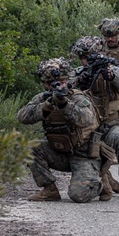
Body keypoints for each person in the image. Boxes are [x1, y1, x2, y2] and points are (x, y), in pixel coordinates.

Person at [17, 57, 102, 203]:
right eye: (52, 84)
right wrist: (46, 106)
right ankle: (49, 190)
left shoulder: (77, 97)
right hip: (60, 154)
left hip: (83, 155)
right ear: (45, 84)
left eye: (62, 82)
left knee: (78, 195)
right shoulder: (43, 98)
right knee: (31, 147)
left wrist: (65, 105)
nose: (58, 86)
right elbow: (22, 116)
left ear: (68, 80)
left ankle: (102, 180)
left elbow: (86, 119)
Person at [70, 36, 119, 200]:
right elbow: (65, 89)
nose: (86, 61)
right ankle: (103, 178)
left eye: (89, 57)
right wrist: (80, 82)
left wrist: (112, 76)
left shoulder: (113, 69)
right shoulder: (79, 73)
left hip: (112, 122)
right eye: (83, 58)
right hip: (88, 127)